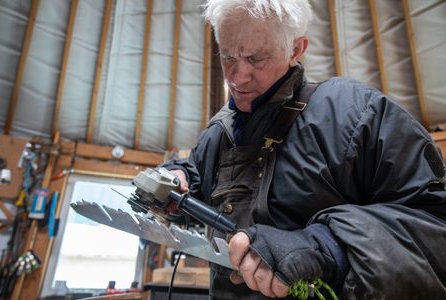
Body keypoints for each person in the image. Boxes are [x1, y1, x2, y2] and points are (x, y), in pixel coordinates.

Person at [161, 0, 446, 299]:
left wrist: (328, 245)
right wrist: (175, 178)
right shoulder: (219, 132)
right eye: (228, 56)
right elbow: (195, 183)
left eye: (256, 58)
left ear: (296, 49)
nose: (236, 77)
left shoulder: (358, 114)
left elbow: (434, 230)